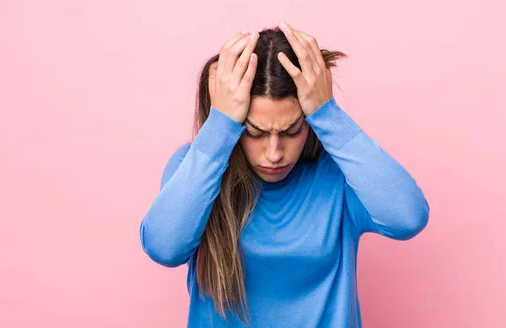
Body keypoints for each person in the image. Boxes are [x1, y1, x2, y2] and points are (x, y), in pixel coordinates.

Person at [139, 22, 430, 328]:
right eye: (254, 133)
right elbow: (164, 248)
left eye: (292, 131)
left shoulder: (341, 177)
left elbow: (408, 218)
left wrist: (327, 113)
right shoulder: (195, 168)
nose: (275, 153)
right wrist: (219, 127)